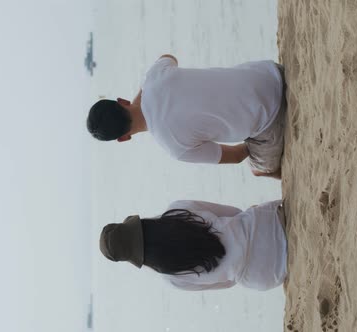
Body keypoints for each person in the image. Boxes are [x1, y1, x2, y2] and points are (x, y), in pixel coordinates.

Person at [86, 55, 287, 179]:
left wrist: (249, 139)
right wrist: (142, 93)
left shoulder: (174, 147)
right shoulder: (155, 77)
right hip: (270, 72)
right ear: (121, 101)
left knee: (258, 169)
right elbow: (168, 56)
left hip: (271, 118)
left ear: (123, 138)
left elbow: (235, 157)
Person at [99, 200, 287, 291]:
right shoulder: (177, 211)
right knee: (248, 213)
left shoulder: (172, 279)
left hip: (266, 273)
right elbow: (233, 212)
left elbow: (226, 284)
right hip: (266, 223)